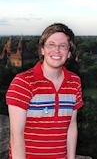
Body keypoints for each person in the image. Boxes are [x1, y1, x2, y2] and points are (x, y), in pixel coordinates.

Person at [6, 23, 83, 159]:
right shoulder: (23, 82)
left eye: (63, 46)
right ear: (42, 50)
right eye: (51, 45)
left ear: (69, 52)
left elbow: (71, 126)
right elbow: (16, 135)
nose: (57, 50)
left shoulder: (74, 82)